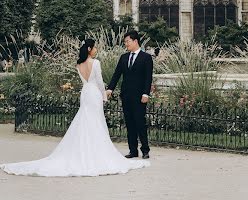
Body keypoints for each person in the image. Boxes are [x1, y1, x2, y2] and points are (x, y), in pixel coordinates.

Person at [1, 38, 149, 177]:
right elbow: (98, 81)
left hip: (85, 93)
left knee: (85, 119)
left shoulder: (78, 64)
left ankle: (83, 149)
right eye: (95, 47)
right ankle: (96, 152)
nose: (96, 49)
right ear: (90, 49)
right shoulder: (95, 63)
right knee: (95, 121)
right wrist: (104, 96)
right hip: (94, 93)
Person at [107, 30, 153, 159]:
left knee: (140, 123)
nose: (125, 44)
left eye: (127, 41)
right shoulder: (124, 57)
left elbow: (148, 78)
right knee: (130, 124)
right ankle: (133, 150)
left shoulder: (146, 58)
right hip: (126, 95)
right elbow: (117, 74)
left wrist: (146, 94)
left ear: (135, 41)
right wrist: (110, 88)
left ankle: (145, 150)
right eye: (125, 42)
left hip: (139, 96)